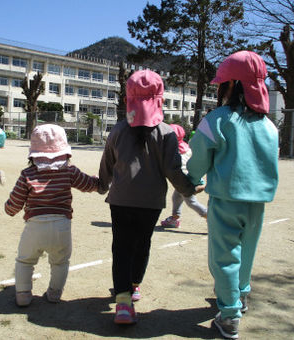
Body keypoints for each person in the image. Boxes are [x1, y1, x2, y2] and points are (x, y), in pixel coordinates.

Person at [97, 70, 204, 325]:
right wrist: (189, 189)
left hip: (120, 200)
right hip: (151, 202)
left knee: (121, 247)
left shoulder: (119, 130)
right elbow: (172, 170)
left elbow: (107, 162)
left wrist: (102, 185)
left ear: (128, 100)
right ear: (159, 100)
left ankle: (123, 303)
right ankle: (134, 286)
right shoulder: (167, 132)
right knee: (142, 244)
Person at [186, 51, 279, 339]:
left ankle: (229, 316)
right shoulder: (269, 125)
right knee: (246, 251)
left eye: (221, 84)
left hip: (226, 199)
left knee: (224, 258)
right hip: (258, 201)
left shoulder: (218, 119)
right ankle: (241, 296)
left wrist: (191, 178)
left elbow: (198, 156)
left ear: (231, 86)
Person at [4, 124, 99, 307]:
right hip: (62, 225)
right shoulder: (69, 171)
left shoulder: (28, 174)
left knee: (25, 260)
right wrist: (97, 182)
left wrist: (9, 208)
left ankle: (23, 294)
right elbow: (88, 185)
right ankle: (55, 294)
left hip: (34, 226)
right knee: (60, 262)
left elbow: (15, 202)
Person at [161, 124, 207, 228]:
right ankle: (174, 218)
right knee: (176, 197)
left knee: (191, 202)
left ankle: (210, 216)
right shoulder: (187, 147)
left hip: (183, 180)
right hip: (190, 176)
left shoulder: (174, 151)